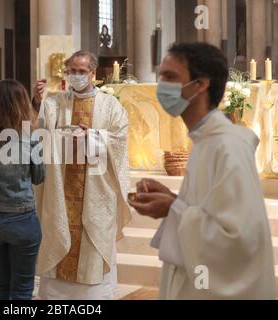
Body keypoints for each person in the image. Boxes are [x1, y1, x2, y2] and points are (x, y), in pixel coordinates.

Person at [128, 42, 276, 300]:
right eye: (161, 76)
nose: (162, 86)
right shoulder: (205, 141)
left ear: (201, 84)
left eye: (171, 77)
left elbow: (239, 239)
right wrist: (174, 201)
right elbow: (210, 212)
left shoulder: (227, 146)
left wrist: (171, 209)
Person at [32, 51, 131, 299]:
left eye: (81, 71)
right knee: (58, 233)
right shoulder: (54, 102)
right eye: (72, 71)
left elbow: (120, 142)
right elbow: (40, 136)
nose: (75, 75)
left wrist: (94, 136)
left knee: (91, 247)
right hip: (60, 191)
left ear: (93, 73)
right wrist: (36, 103)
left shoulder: (110, 106)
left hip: (96, 191)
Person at [0, 79, 45, 300]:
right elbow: (40, 178)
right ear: (23, 104)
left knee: (0, 284)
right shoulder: (31, 138)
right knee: (22, 289)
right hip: (21, 219)